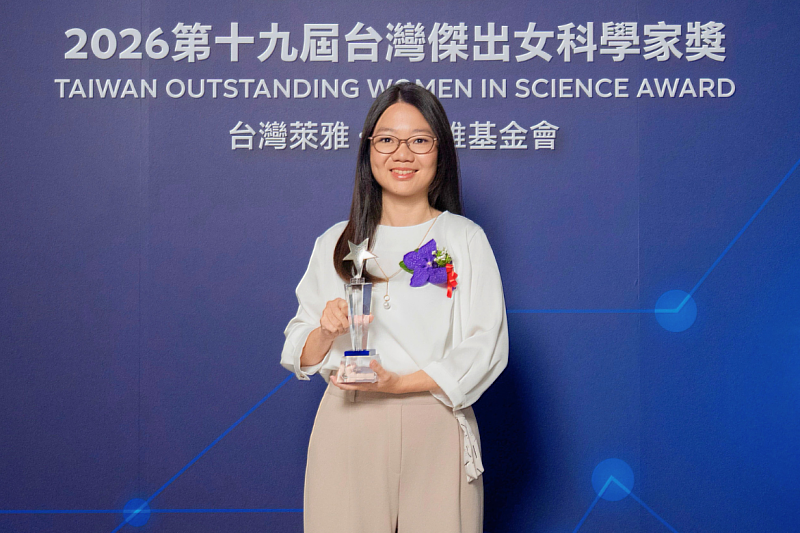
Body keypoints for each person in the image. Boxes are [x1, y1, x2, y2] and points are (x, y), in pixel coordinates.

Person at [280, 82, 508, 533]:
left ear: (440, 151)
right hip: (349, 418)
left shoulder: (464, 238)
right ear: (368, 149)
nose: (402, 153)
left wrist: (400, 383)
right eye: (386, 139)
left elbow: (487, 346)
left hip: (436, 417)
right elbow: (297, 351)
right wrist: (325, 331)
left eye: (419, 140)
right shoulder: (335, 241)